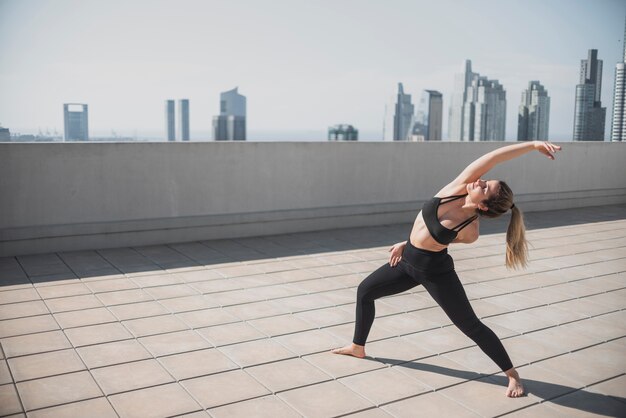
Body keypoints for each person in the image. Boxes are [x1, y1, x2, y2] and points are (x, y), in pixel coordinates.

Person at [331, 141, 562, 398]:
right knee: (365, 291)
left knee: (470, 325)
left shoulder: (470, 231)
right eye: (485, 180)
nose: (480, 181)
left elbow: (437, 241)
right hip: (406, 262)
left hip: (435, 272)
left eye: (485, 187)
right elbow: (494, 157)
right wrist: (532, 145)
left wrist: (412, 245)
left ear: (483, 206)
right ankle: (357, 346)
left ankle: (512, 375)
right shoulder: (459, 186)